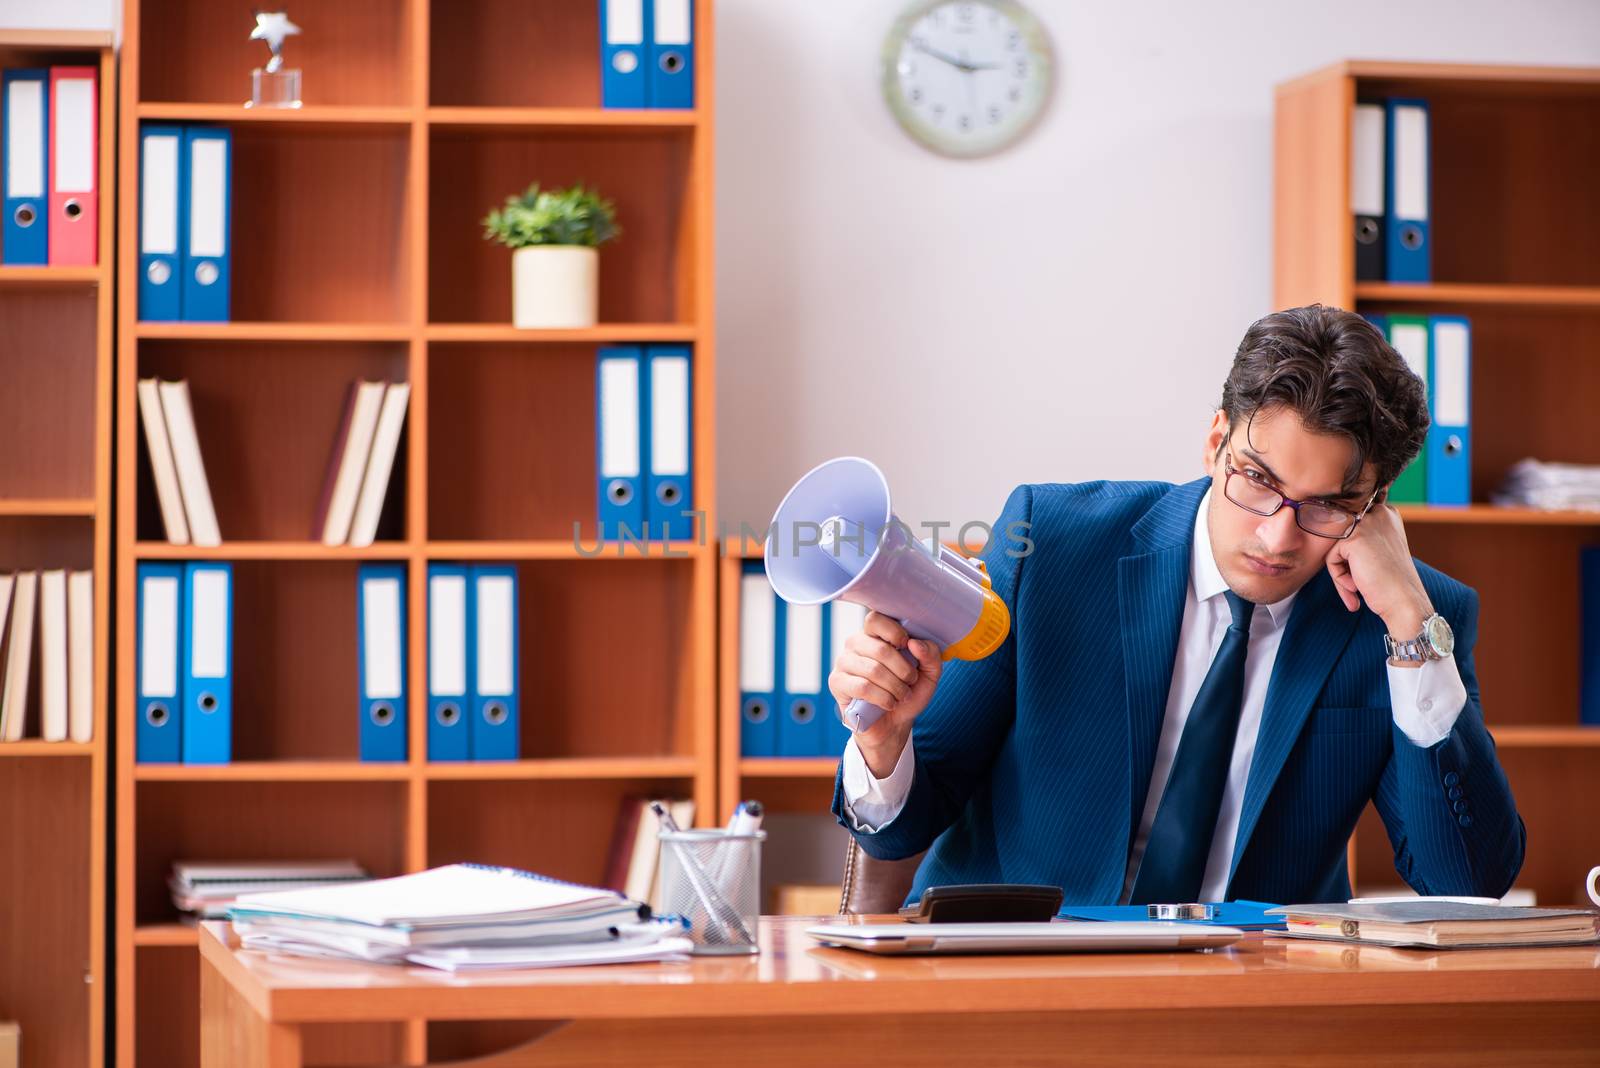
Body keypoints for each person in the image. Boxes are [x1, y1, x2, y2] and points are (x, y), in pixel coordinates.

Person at [830, 305, 1524, 905]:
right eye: (1257, 480)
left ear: (1375, 508)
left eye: (1330, 506)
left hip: (1247, 1002)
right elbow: (907, 822)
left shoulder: (1412, 621)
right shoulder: (1054, 546)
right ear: (1216, 439)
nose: (1277, 537)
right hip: (1025, 976)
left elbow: (1467, 882)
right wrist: (883, 744)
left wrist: (1409, 624)